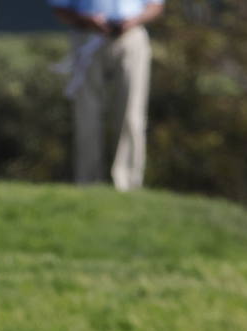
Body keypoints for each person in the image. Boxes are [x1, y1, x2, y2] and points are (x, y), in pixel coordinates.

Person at [50, 0, 164, 192]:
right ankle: (88, 183)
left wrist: (133, 20)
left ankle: (128, 184)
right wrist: (85, 20)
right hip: (88, 37)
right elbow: (60, 7)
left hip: (131, 37)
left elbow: (155, 5)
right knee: (87, 116)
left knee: (132, 115)